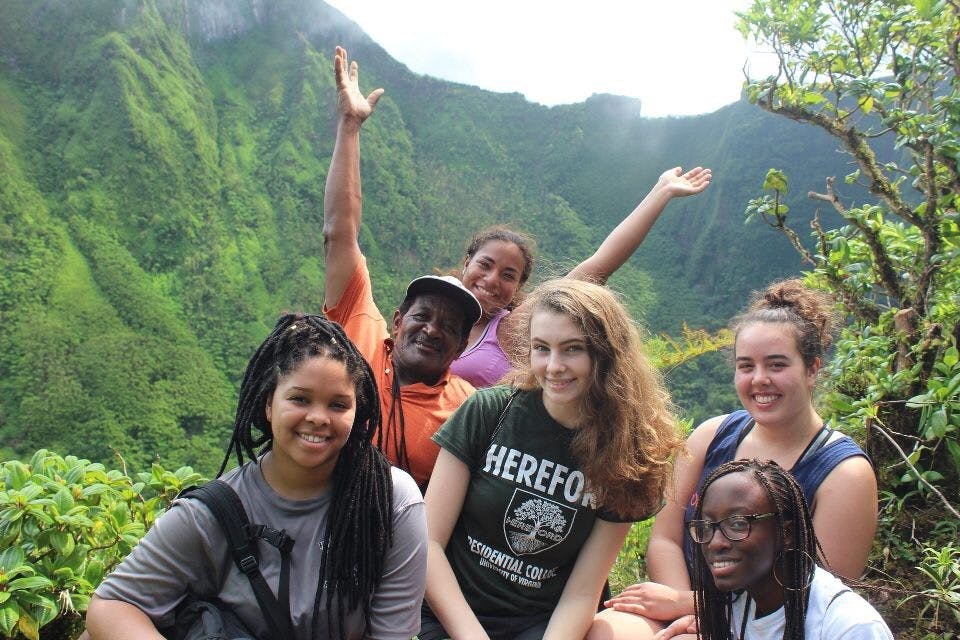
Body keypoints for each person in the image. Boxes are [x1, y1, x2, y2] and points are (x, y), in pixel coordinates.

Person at [325, 46, 712, 391]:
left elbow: (595, 269)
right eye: (485, 265)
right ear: (466, 263)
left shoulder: (508, 331)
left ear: (518, 288)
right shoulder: (412, 328)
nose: (493, 280)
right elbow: (340, 236)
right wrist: (350, 127)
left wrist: (660, 193)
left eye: (509, 275)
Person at [85, 314, 427, 639]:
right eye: (299, 399)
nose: (318, 417)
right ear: (268, 404)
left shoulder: (390, 503)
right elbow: (112, 605)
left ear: (357, 412)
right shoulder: (214, 512)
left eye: (338, 405)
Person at [593, 279, 879, 640]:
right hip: (686, 607)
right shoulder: (711, 436)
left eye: (776, 365)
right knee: (605, 630)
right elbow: (665, 539)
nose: (760, 380)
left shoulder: (843, 473)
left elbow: (816, 599)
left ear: (812, 369)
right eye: (746, 366)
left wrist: (696, 608)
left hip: (773, 627)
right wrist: (688, 609)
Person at [422, 278, 685, 640]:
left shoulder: (626, 454)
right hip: (452, 617)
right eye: (541, 348)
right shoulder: (489, 412)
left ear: (607, 354)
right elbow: (429, 543)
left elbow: (582, 592)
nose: (554, 366)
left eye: (572, 349)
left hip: (541, 624)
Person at [323, 46, 483, 488]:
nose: (432, 330)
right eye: (422, 316)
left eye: (449, 327)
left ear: (461, 347)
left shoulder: (467, 411)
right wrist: (349, 127)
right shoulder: (360, 331)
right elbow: (340, 233)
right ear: (397, 320)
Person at [688, 458, 893, 639]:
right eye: (706, 526)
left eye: (738, 523)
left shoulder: (850, 627)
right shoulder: (736, 606)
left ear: (786, 533)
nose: (715, 543)